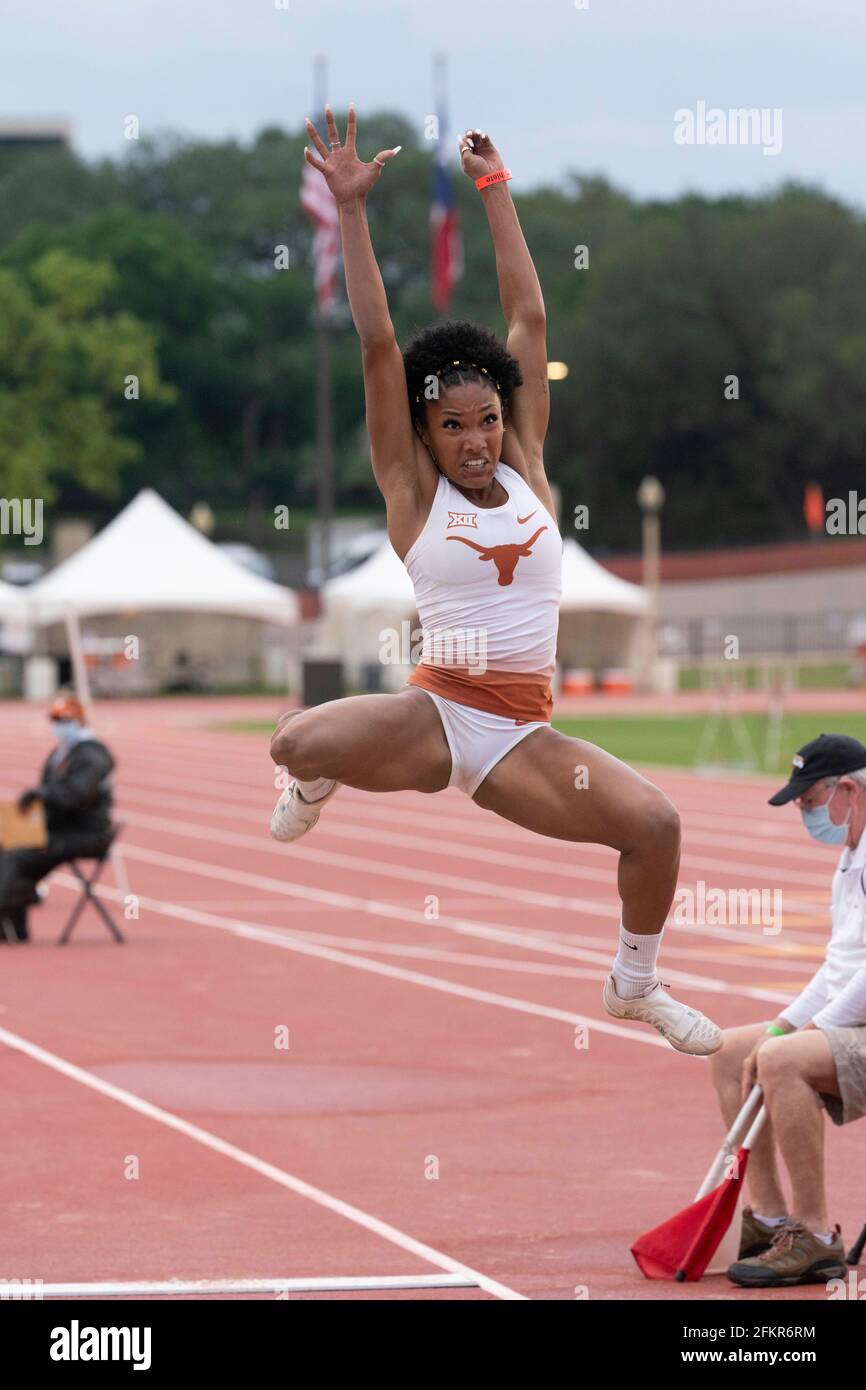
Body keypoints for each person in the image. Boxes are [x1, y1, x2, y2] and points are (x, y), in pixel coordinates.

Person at [269, 104, 721, 1057]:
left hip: (522, 734)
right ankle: (318, 784)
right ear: (425, 434)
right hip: (438, 711)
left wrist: (495, 188)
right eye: (454, 426)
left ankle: (633, 986)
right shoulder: (410, 492)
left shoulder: (528, 470)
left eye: (486, 419)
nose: (475, 441)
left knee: (657, 825)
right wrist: (353, 212)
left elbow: (529, 317)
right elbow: (380, 348)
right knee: (295, 741)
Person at [711, 733, 866, 1286]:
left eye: (808, 801)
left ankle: (817, 1236)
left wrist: (805, 1036)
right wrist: (783, 1025)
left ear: (846, 788)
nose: (806, 813)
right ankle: (772, 1219)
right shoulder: (850, 858)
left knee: (781, 1061)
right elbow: (838, 968)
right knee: (732, 1050)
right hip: (858, 1021)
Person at [0, 692, 114, 942]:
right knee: (7, 842)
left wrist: (41, 795)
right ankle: (12, 923)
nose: (59, 726)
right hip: (59, 829)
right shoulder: (63, 752)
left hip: (85, 833)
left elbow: (76, 796)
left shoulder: (91, 755)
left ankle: (9, 910)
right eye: (56, 720)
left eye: (65, 720)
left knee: (15, 855)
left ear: (80, 720)